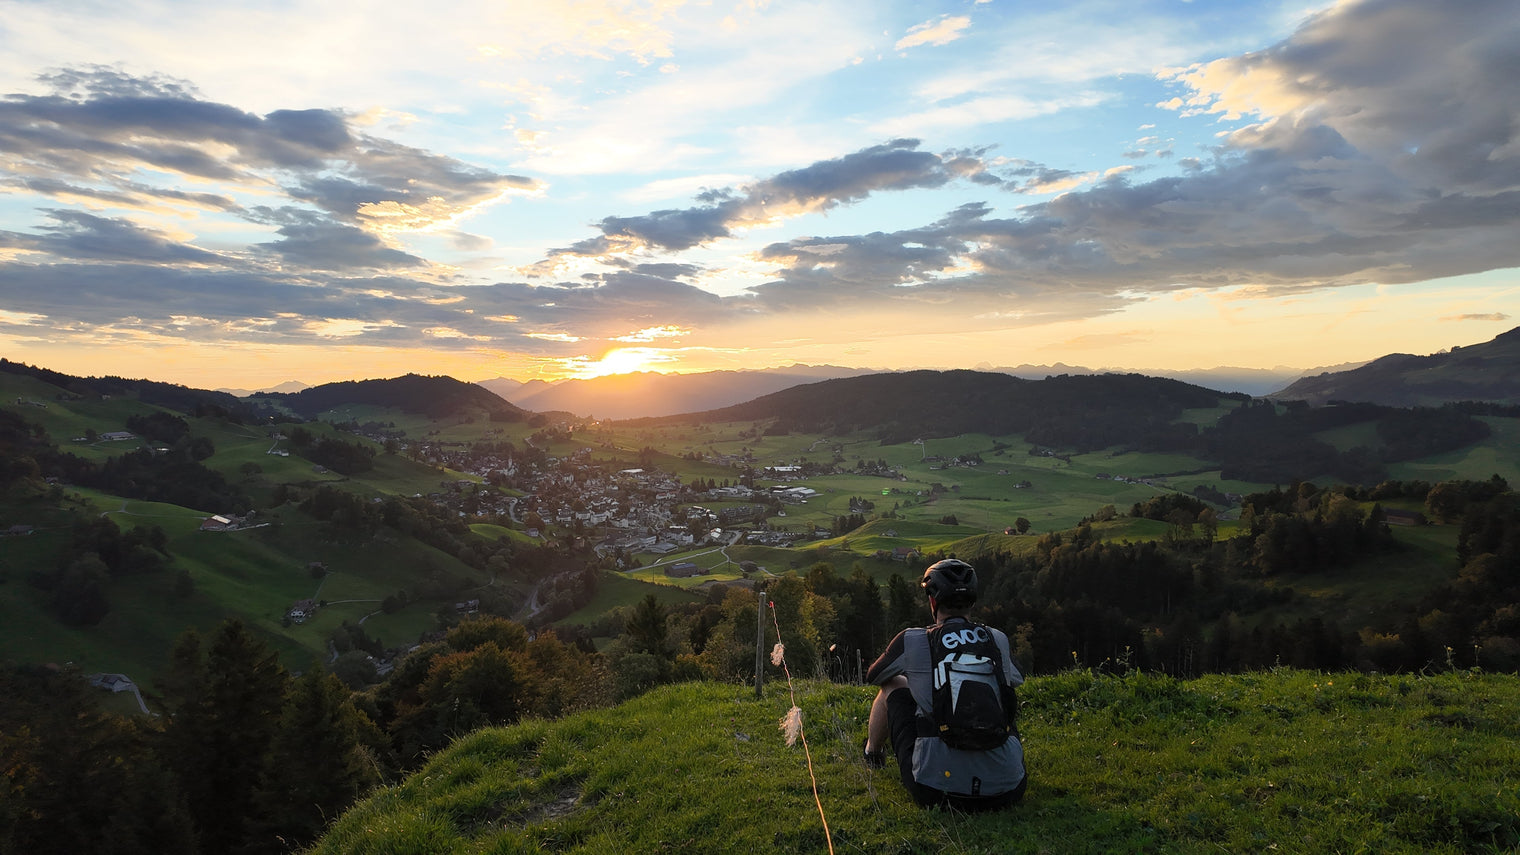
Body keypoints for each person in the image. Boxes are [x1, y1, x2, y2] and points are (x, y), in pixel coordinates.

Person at [863, 558, 1027, 811]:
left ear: (932, 601)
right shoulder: (997, 638)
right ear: (972, 601)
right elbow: (1017, 678)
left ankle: (872, 754)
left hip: (935, 790)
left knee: (894, 684)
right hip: (1008, 789)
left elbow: (874, 676)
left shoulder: (913, 639)